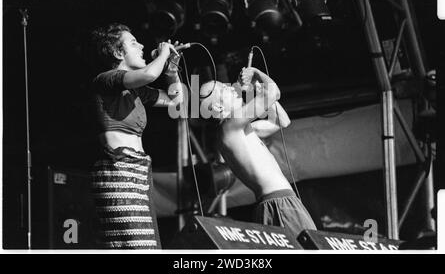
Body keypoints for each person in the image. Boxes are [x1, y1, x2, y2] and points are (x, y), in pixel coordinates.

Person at [90, 23, 183, 249]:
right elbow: (150, 74)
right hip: (118, 169)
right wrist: (162, 54)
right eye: (133, 42)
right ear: (117, 52)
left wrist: (171, 71)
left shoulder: (136, 90)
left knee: (148, 245)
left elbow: (176, 101)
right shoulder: (106, 78)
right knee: (134, 245)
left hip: (138, 170)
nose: (141, 46)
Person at [199, 67, 316, 239]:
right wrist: (256, 73)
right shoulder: (229, 126)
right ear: (218, 107)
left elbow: (282, 121)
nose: (231, 88)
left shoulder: (243, 130)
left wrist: (259, 88)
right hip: (279, 203)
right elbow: (273, 92)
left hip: (281, 201)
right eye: (223, 90)